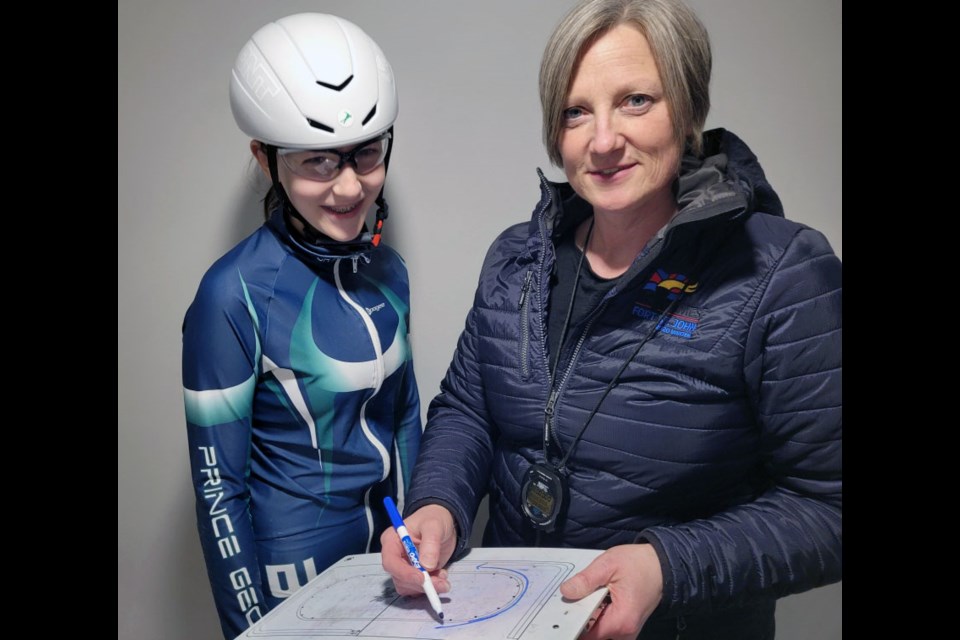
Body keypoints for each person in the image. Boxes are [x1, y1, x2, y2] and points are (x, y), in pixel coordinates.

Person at [380, 1, 841, 638]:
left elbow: (828, 504)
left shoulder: (783, 272)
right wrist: (438, 504)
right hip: (514, 618)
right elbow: (469, 408)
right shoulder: (517, 257)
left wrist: (665, 566)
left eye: (636, 101)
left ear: (687, 112)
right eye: (576, 111)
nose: (601, 141)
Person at [182, 14, 421, 640]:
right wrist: (249, 628)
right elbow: (218, 492)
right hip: (292, 574)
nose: (349, 187)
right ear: (265, 158)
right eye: (317, 162)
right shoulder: (229, 295)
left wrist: (420, 534)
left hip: (389, 561)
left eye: (366, 154)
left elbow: (404, 418)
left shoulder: (390, 270)